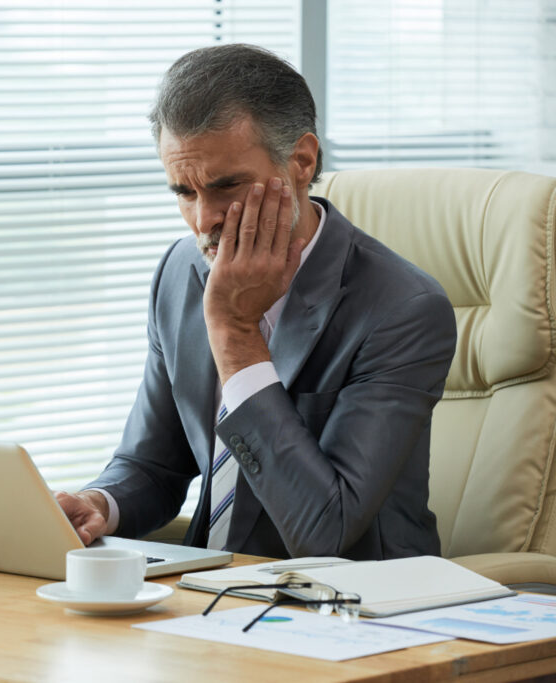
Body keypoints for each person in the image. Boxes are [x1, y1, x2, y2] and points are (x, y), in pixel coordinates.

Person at [56, 44, 457, 561]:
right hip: (208, 596)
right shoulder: (180, 271)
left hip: (351, 609)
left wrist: (236, 335)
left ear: (302, 161)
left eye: (227, 186)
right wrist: (100, 502)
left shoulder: (403, 308)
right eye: (184, 191)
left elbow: (325, 530)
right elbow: (154, 464)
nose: (204, 220)